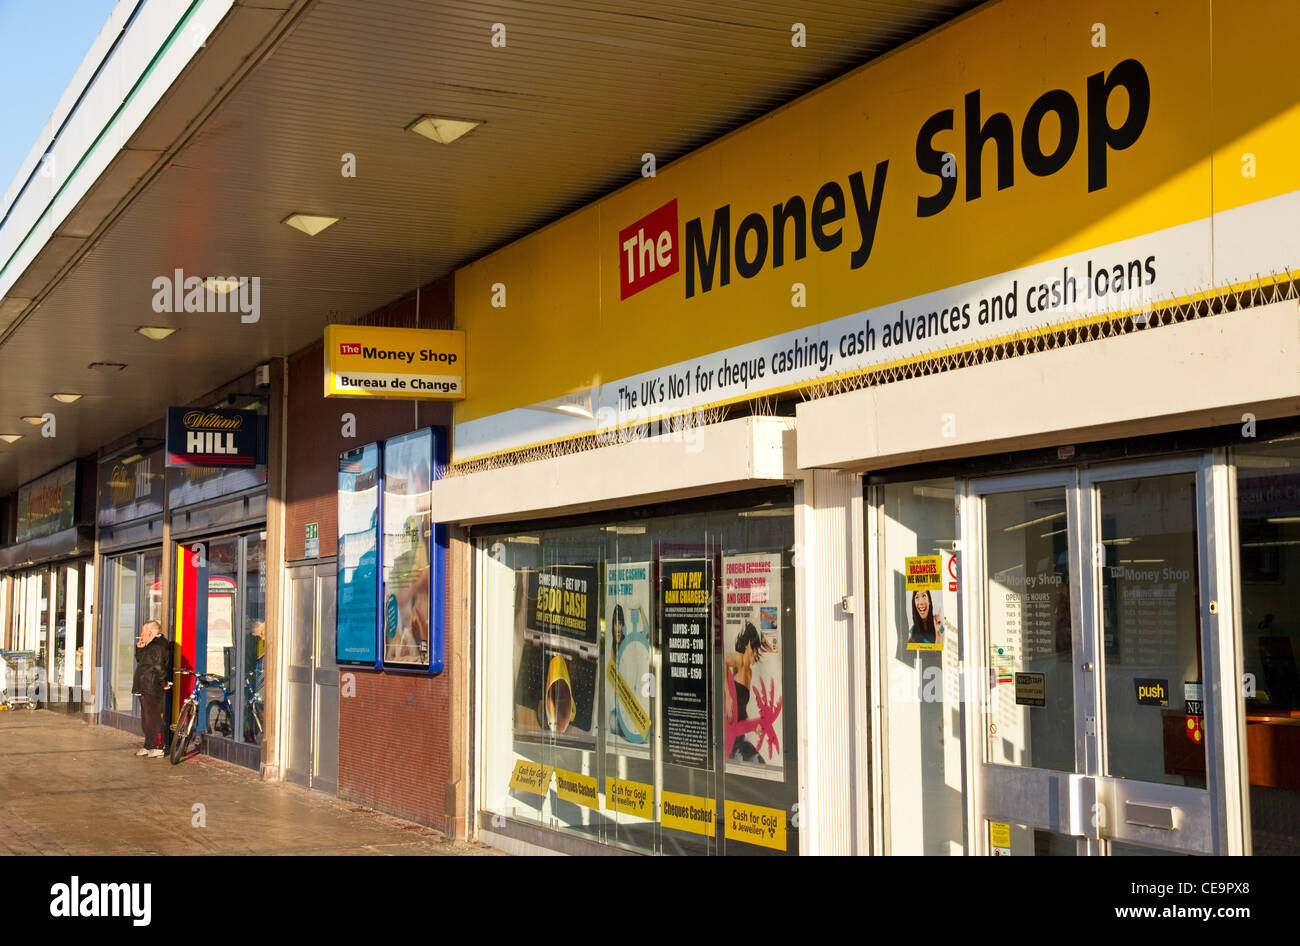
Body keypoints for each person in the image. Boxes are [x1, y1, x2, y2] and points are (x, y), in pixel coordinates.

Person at [724, 622, 764, 763]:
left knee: (760, 763)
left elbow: (743, 710)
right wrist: (728, 695)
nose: (755, 656)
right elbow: (722, 660)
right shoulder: (739, 660)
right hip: (731, 737)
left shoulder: (749, 673)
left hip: (740, 734)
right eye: (754, 652)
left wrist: (753, 726)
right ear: (748, 646)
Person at [132, 620, 172, 757]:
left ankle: (158, 746)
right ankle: (149, 745)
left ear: (150, 632)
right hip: (145, 685)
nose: (141, 635)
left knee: (154, 717)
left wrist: (163, 683)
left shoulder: (158, 646)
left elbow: (159, 666)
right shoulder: (151, 645)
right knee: (146, 717)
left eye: (143, 632)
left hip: (152, 686)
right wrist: (140, 648)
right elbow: (142, 661)